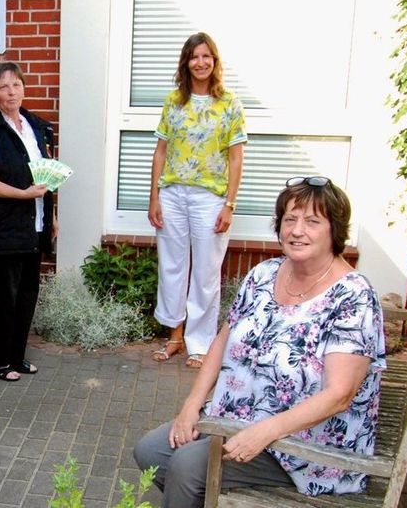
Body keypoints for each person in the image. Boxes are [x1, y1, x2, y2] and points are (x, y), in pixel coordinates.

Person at [134, 177, 386, 507]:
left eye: (312, 221)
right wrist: (191, 405)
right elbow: (223, 340)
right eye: (290, 219)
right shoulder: (264, 274)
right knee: (151, 451)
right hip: (237, 416)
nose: (297, 231)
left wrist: (264, 432)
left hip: (306, 444)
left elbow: (339, 395)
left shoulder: (354, 298)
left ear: (334, 231)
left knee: (187, 468)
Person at [148, 32, 247, 369]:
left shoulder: (229, 103)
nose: (201, 62)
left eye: (207, 56)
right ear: (186, 62)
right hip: (173, 194)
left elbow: (236, 159)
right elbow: (160, 152)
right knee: (173, 267)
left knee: (205, 272)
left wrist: (229, 204)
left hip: (210, 197)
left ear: (215, 62)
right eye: (195, 56)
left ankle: (200, 343)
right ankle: (174, 336)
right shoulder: (173, 101)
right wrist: (154, 198)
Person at [0, 62, 57, 382]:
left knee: (28, 291)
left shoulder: (35, 125)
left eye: (16, 85)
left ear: (24, 87)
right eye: (3, 87)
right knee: (6, 293)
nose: (11, 92)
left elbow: (48, 175)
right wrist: (25, 194)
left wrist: (52, 216)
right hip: (3, 223)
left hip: (35, 221)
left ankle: (16, 356)